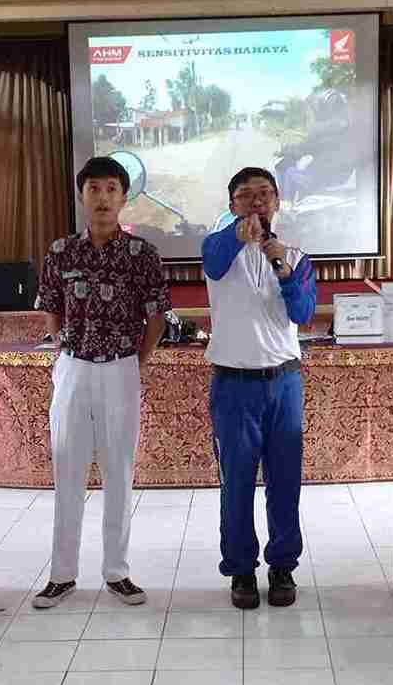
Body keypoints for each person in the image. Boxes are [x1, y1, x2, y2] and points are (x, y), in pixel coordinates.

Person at [31, 156, 170, 609]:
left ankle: (117, 572)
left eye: (112, 189)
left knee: (118, 470)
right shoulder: (60, 252)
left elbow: (157, 315)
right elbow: (50, 303)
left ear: (124, 197)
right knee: (67, 468)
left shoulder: (142, 254)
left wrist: (139, 360)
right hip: (72, 368)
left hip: (121, 368)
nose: (103, 198)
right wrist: (60, 343)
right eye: (94, 189)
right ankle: (62, 574)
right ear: (81, 196)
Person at [201, 167, 318, 609]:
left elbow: (303, 312)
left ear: (278, 202)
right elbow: (213, 258)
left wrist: (282, 265)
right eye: (245, 196)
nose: (256, 202)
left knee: (285, 483)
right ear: (231, 205)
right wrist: (240, 236)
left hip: (284, 382)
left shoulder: (297, 255)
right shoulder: (219, 249)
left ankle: (282, 565)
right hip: (233, 384)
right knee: (236, 483)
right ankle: (241, 570)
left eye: (264, 194)